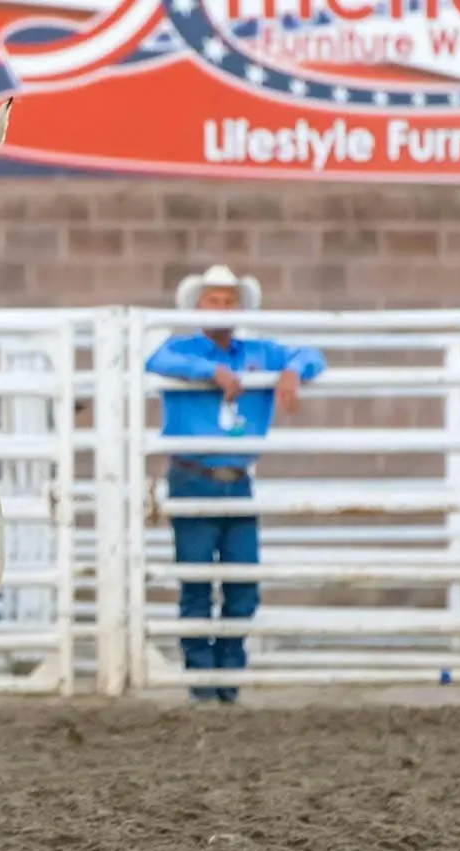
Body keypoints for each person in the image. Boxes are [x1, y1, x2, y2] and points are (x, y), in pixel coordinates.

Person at [146, 264, 326, 706]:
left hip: (236, 478)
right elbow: (158, 360)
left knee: (243, 582)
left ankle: (227, 673)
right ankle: (203, 680)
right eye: (213, 300)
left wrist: (292, 372)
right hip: (193, 475)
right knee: (197, 580)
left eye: (228, 300)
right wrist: (212, 371)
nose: (221, 307)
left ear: (239, 307)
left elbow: (312, 355)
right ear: (198, 306)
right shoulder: (182, 349)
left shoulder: (259, 352)